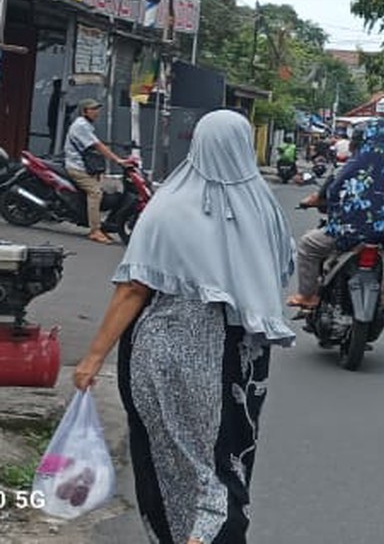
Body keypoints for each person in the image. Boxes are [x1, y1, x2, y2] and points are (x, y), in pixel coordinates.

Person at [72, 109, 295, 544]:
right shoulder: (263, 205)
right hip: (239, 354)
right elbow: (278, 272)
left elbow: (133, 290)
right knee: (223, 463)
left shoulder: (169, 206)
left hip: (163, 349)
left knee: (168, 459)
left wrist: (93, 357)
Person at [286, 118, 384, 314]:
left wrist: (317, 201)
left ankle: (307, 296)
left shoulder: (355, 163)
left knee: (308, 245)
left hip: (351, 233)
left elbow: (332, 191)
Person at [62, 98, 129, 245]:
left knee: (106, 190)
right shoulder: (81, 126)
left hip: (85, 167)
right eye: (93, 109)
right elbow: (98, 146)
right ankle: (95, 231)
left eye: (97, 109)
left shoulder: (87, 125)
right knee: (95, 193)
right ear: (84, 111)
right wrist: (118, 160)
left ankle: (101, 225)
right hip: (76, 167)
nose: (97, 112)